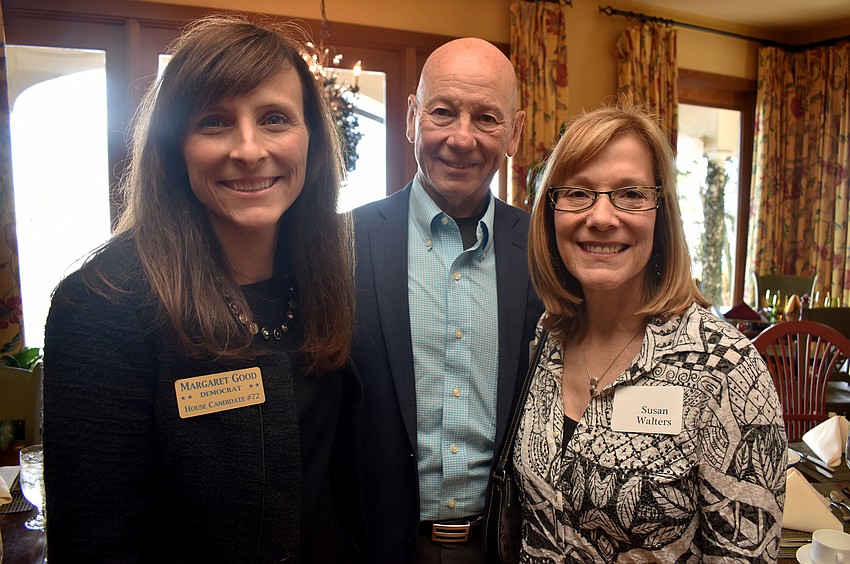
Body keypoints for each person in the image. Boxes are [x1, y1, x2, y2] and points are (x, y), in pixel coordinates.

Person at [42, 15, 362, 563]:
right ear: (175, 148)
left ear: (310, 137)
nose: (248, 148)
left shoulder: (327, 275)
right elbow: (97, 546)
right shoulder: (102, 304)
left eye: (275, 119)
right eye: (214, 122)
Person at [515, 97, 787, 562]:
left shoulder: (727, 369)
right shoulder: (548, 337)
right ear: (550, 212)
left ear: (661, 213)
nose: (601, 218)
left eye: (631, 194)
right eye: (578, 193)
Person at [351, 37, 543, 563]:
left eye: (486, 118)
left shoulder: (546, 250)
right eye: (443, 112)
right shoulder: (343, 245)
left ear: (515, 133)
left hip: (506, 546)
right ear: (412, 117)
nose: (462, 139)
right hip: (376, 546)